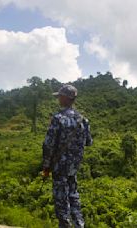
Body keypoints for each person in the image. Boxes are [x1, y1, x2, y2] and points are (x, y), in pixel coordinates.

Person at [42, 84, 93, 228]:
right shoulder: (83, 120)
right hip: (74, 167)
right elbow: (89, 142)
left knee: (61, 198)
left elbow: (48, 145)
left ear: (65, 98)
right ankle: (79, 224)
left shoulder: (58, 119)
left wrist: (46, 167)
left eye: (59, 96)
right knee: (73, 195)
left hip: (59, 167)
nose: (58, 99)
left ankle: (65, 225)